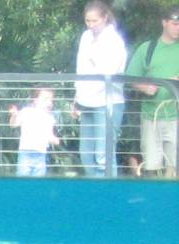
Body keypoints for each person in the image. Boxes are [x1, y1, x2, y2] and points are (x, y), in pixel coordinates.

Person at [75, 1, 129, 176]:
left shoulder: (114, 41)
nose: (91, 25)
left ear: (105, 18)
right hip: (86, 100)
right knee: (86, 154)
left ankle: (108, 194)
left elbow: (109, 72)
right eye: (87, 21)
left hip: (108, 102)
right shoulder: (85, 37)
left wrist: (93, 55)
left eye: (94, 21)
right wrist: (77, 98)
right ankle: (93, 193)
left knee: (103, 155)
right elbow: (80, 70)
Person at [127, 5, 179, 177]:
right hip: (151, 116)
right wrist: (145, 87)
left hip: (176, 116)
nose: (178, 28)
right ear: (164, 23)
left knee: (174, 167)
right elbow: (131, 77)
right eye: (175, 23)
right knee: (151, 166)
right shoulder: (147, 49)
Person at [9, 86, 62, 175]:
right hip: (26, 153)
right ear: (35, 100)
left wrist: (55, 140)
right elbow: (13, 124)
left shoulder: (49, 118)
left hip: (41, 155)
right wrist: (14, 115)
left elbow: (50, 135)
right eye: (45, 99)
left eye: (51, 100)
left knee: (38, 180)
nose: (49, 103)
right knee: (23, 178)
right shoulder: (26, 112)